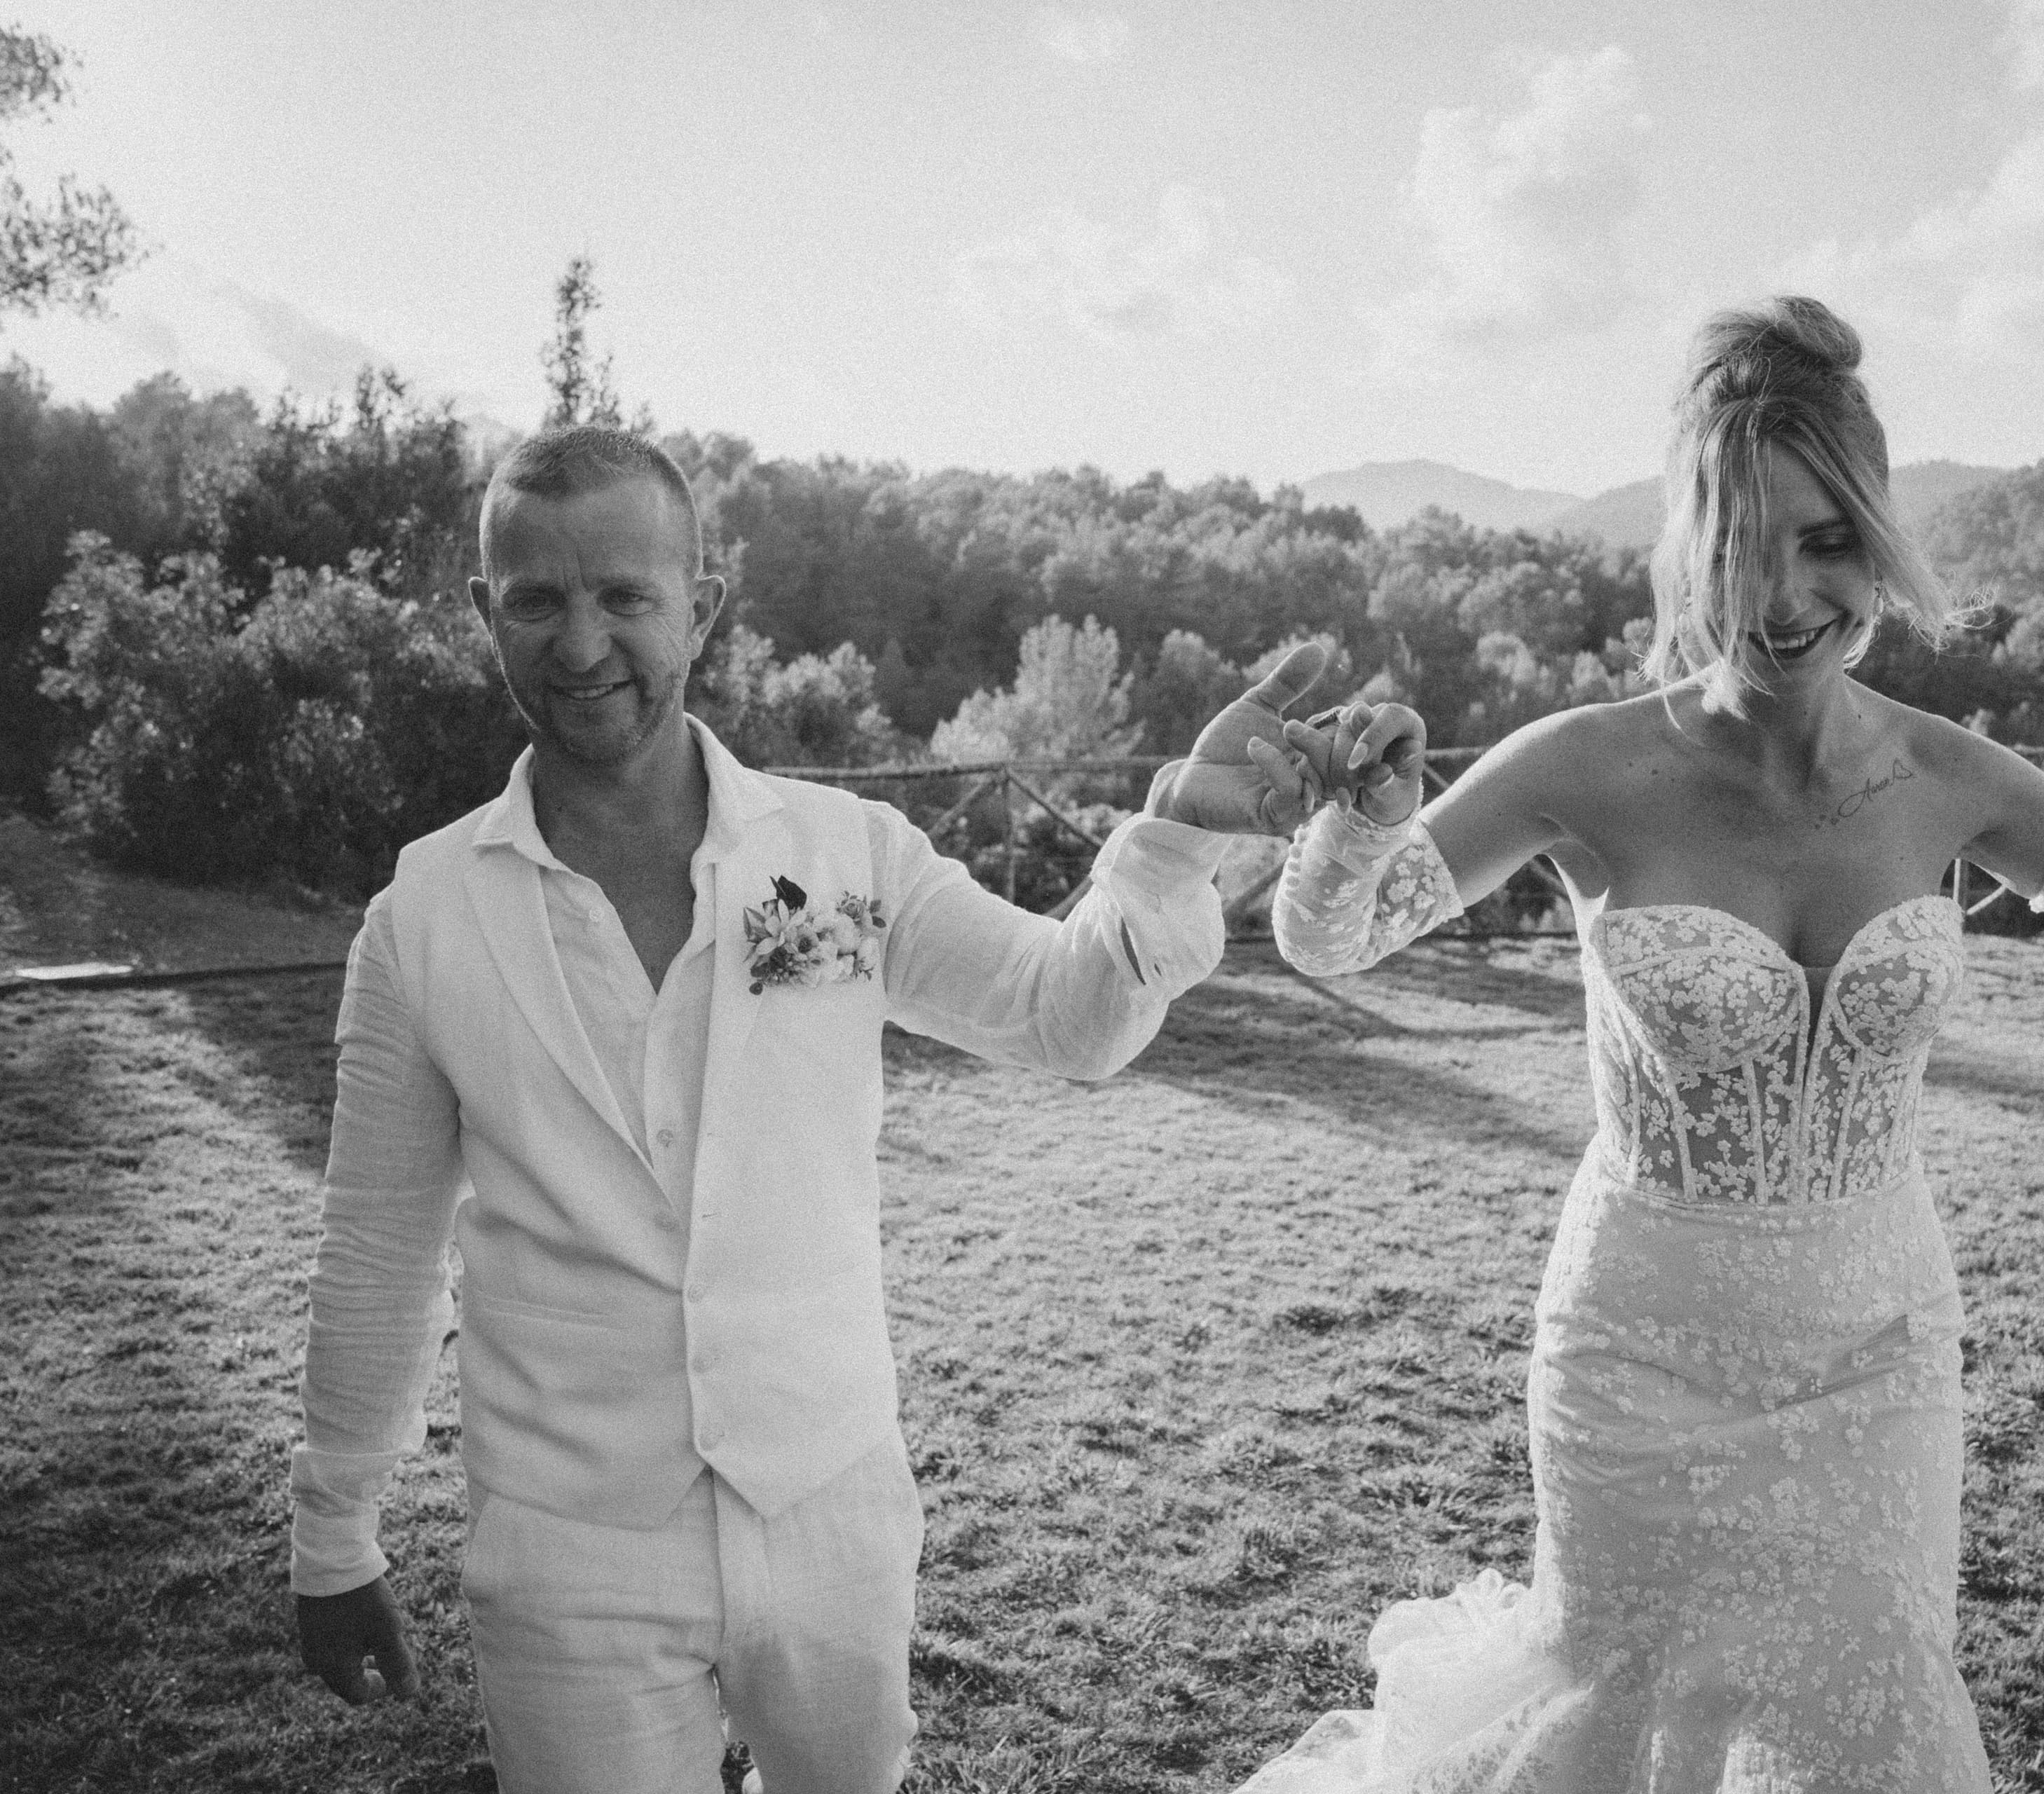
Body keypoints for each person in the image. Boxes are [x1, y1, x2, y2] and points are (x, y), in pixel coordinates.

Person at [1219, 298, 2044, 1790]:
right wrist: (1358, 822)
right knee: (1623, 1721)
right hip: (1638, 1349)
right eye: (1745, 544)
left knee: (1871, 1721)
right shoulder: (1585, 765)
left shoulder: (1954, 779)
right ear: (1689, 549)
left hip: (1881, 1346)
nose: (1790, 592)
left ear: (1879, 539)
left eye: (1828, 540)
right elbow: (1330, 937)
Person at [286, 425, 1316, 1792]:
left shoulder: (833, 862)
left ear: (700, 607)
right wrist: (332, 1530)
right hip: (569, 1551)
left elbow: (1067, 1017)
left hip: (830, 1512)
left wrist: (1179, 831)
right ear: (487, 613)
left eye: (626, 596)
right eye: (536, 598)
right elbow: (377, 1251)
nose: (582, 640)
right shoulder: (420, 919)